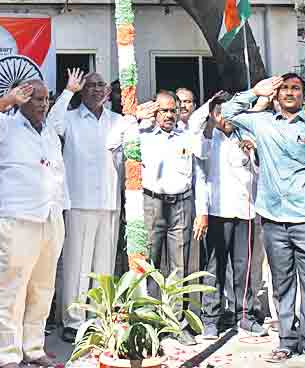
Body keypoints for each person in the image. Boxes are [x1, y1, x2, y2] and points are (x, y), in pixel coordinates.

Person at [222, 74, 305, 366]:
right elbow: (227, 112)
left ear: (303, 95)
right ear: (276, 94)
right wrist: (255, 91)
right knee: (282, 282)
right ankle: (287, 341)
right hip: (273, 217)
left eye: (295, 89)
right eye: (284, 88)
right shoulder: (261, 122)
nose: (289, 93)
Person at [0, 80, 67, 368]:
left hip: (51, 216)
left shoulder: (49, 131)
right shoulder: (5, 125)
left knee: (43, 287)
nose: (42, 104)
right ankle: (8, 354)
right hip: (20, 217)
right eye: (35, 99)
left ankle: (34, 348)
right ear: (21, 100)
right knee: (13, 288)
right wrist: (6, 100)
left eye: (45, 99)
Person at [48, 69, 123, 343]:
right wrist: (68, 90)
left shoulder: (119, 121)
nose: (95, 89)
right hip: (78, 201)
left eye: (100, 85)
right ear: (82, 90)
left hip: (109, 201)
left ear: (107, 91)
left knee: (103, 265)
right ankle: (74, 320)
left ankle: (99, 316)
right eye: (89, 86)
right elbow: (51, 122)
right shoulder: (69, 118)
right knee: (77, 264)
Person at [193, 90, 266, 339]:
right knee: (215, 266)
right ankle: (211, 318)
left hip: (244, 211)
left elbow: (258, 173)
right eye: (220, 113)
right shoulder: (207, 139)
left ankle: (243, 315)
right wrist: (202, 211)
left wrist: (252, 152)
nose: (225, 118)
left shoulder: (245, 136)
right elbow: (201, 178)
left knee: (243, 267)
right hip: (216, 212)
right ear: (213, 115)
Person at [136, 89, 204, 345]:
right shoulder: (141, 135)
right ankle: (149, 321)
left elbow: (202, 165)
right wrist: (134, 118)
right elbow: (112, 143)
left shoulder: (186, 136)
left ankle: (175, 321)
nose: (169, 115)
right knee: (149, 263)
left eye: (173, 110)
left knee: (178, 265)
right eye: (163, 110)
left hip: (181, 204)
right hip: (152, 203)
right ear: (155, 112)